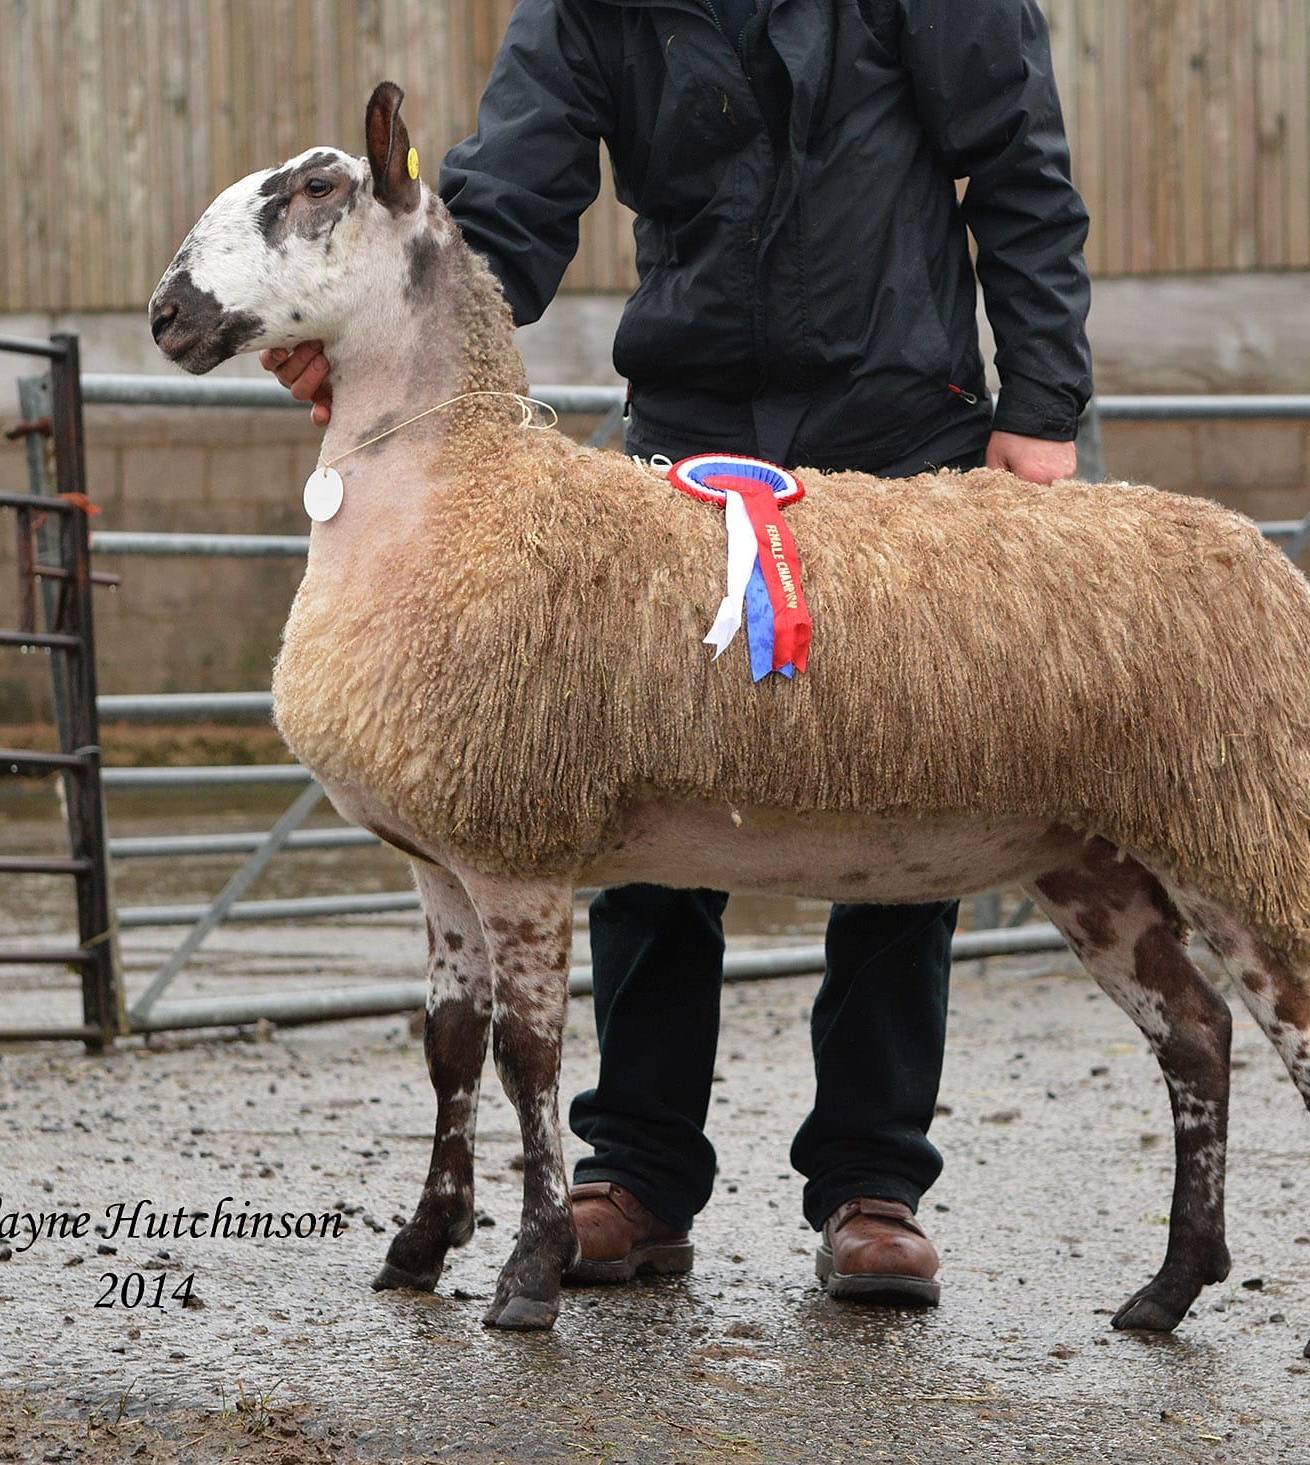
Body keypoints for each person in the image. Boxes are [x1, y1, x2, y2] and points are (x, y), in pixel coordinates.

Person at [263, 0, 1090, 1305]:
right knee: (630, 769)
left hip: (897, 401)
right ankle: (636, 1174)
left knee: (897, 777)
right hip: (694, 421)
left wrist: (1042, 402)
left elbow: (1017, 158)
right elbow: (515, 203)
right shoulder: (590, 10)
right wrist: (376, 329)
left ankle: (873, 1181)